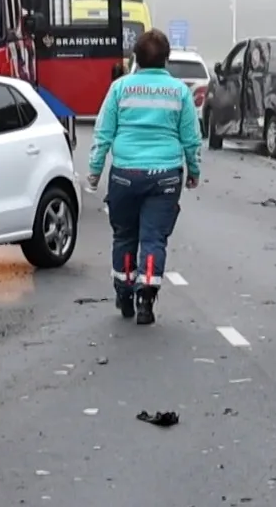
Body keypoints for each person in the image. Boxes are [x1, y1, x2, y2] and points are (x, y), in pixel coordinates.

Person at [86, 28, 202, 325]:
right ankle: (146, 298)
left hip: (125, 174)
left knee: (125, 234)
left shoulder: (120, 88)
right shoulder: (179, 92)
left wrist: (95, 172)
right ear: (167, 59)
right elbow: (191, 138)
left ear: (135, 57)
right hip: (165, 176)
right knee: (154, 237)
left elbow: (103, 134)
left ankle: (123, 290)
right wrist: (194, 171)